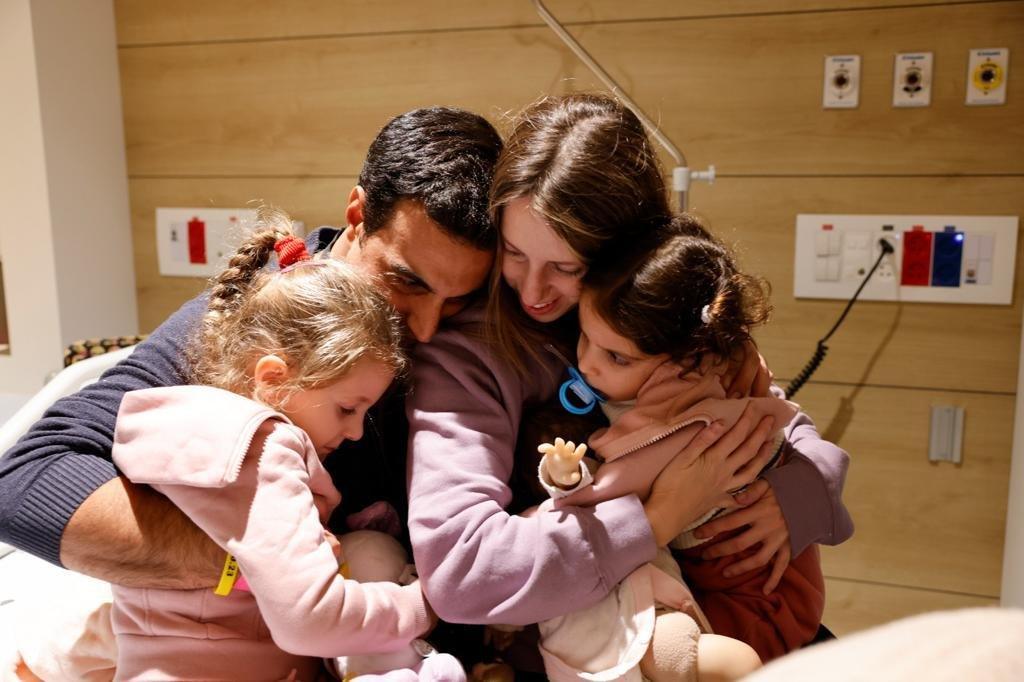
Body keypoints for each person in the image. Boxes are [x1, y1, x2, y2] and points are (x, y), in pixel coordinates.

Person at [0, 107, 501, 675]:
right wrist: (255, 562)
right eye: (407, 281)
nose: (428, 330)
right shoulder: (264, 320)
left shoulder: (488, 328)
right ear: (357, 214)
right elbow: (26, 482)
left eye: (460, 300)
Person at [405, 94, 852, 675]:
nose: (534, 291)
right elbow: (462, 572)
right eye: (514, 254)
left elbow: (776, 422)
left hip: (746, 607)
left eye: (567, 268)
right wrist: (661, 515)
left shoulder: (662, 323)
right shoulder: (468, 358)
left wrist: (796, 499)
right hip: (603, 642)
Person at [107, 209, 467, 680]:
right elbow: (309, 619)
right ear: (274, 380)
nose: (357, 432)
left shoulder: (185, 432)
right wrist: (422, 603)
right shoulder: (266, 450)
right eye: (347, 408)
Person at [532, 215, 831, 680]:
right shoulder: (682, 370)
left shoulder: (692, 411)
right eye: (585, 336)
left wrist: (566, 493)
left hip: (759, 594)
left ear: (689, 359)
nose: (588, 364)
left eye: (616, 357)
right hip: (729, 577)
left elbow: (622, 482)